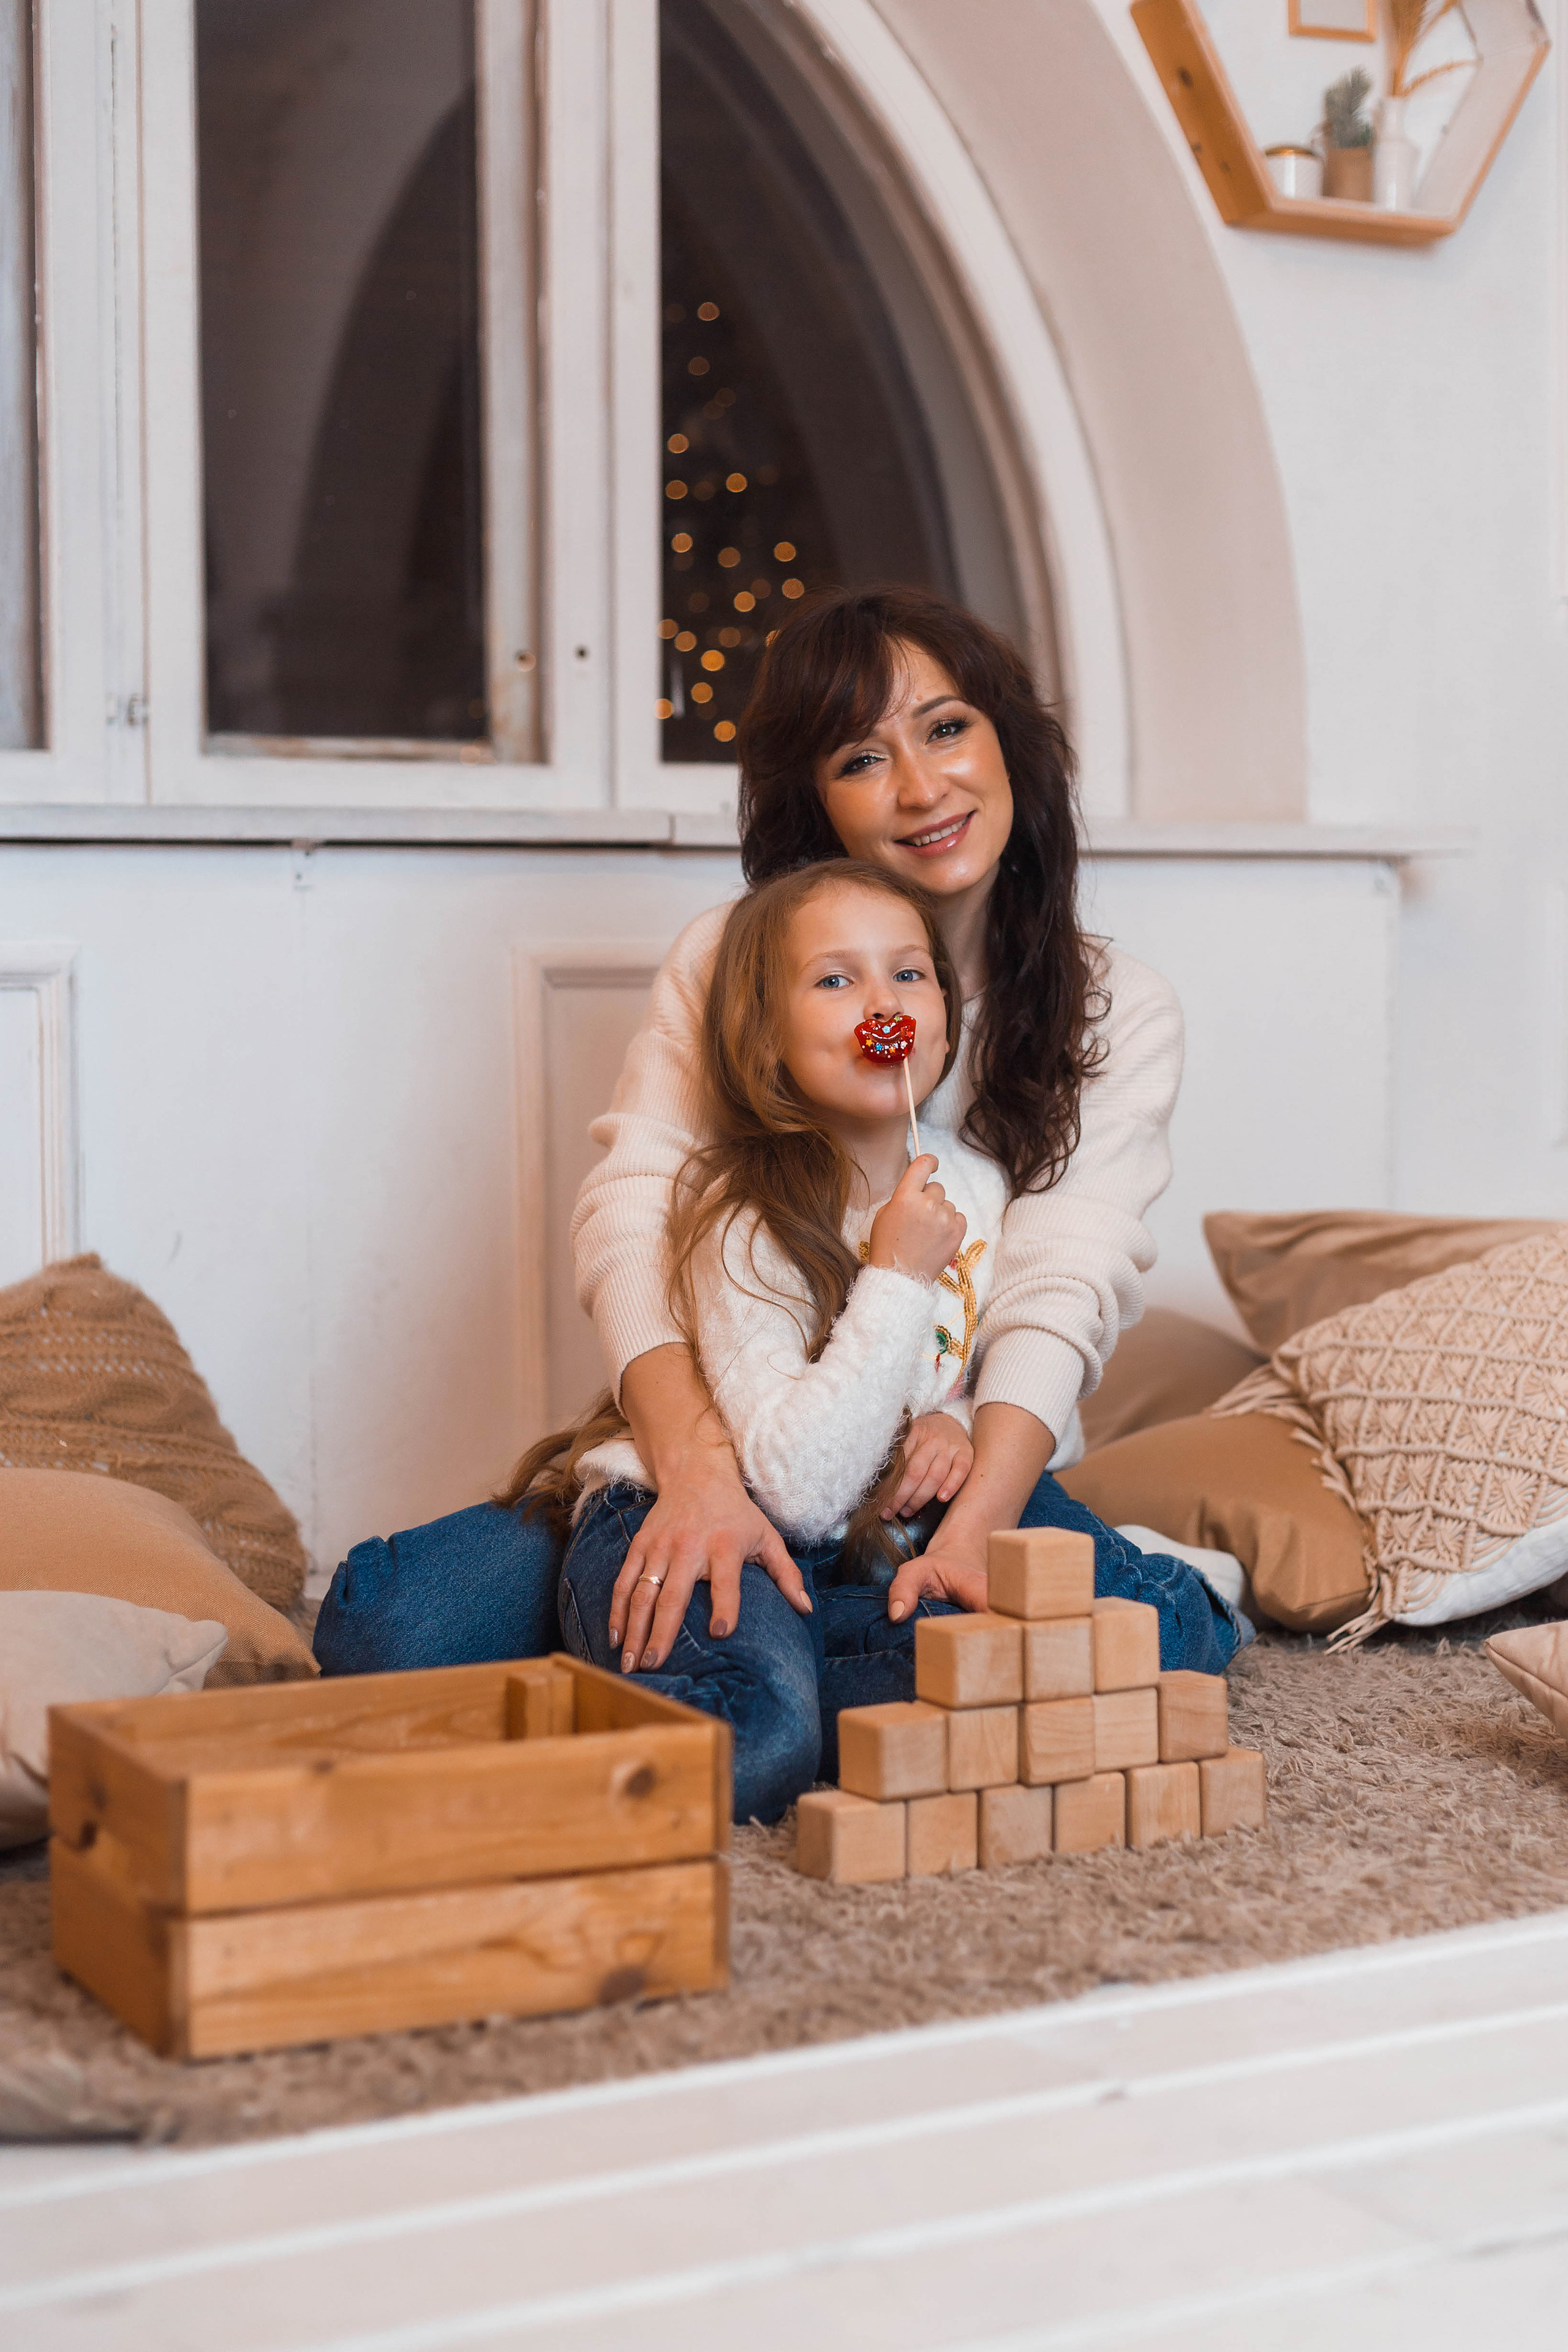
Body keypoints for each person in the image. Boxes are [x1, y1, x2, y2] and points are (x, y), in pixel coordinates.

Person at [314, 587, 1203, 1683]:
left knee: (1166, 1636)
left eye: (945, 727)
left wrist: (976, 1521)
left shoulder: (1118, 1008)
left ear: (1007, 739)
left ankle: (753, 1659)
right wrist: (697, 1480)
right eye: (861, 759)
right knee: (390, 1630)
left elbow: (1061, 1288)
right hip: (726, 1434)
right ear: (816, 802)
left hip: (951, 1471)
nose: (923, 787)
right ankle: (746, 1636)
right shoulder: (730, 958)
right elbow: (638, 1208)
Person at [502, 859, 1238, 1822]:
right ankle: (720, 1660)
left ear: (944, 1015)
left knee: (1180, 1623)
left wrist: (963, 1421)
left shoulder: (976, 1190)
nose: (880, 1002)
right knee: (759, 1739)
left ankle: (801, 1663)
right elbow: (800, 1492)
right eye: (835, 980)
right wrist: (895, 1275)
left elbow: (960, 1353)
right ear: (765, 1038)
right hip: (751, 1516)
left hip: (879, 1536)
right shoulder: (736, 1218)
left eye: (909, 975)